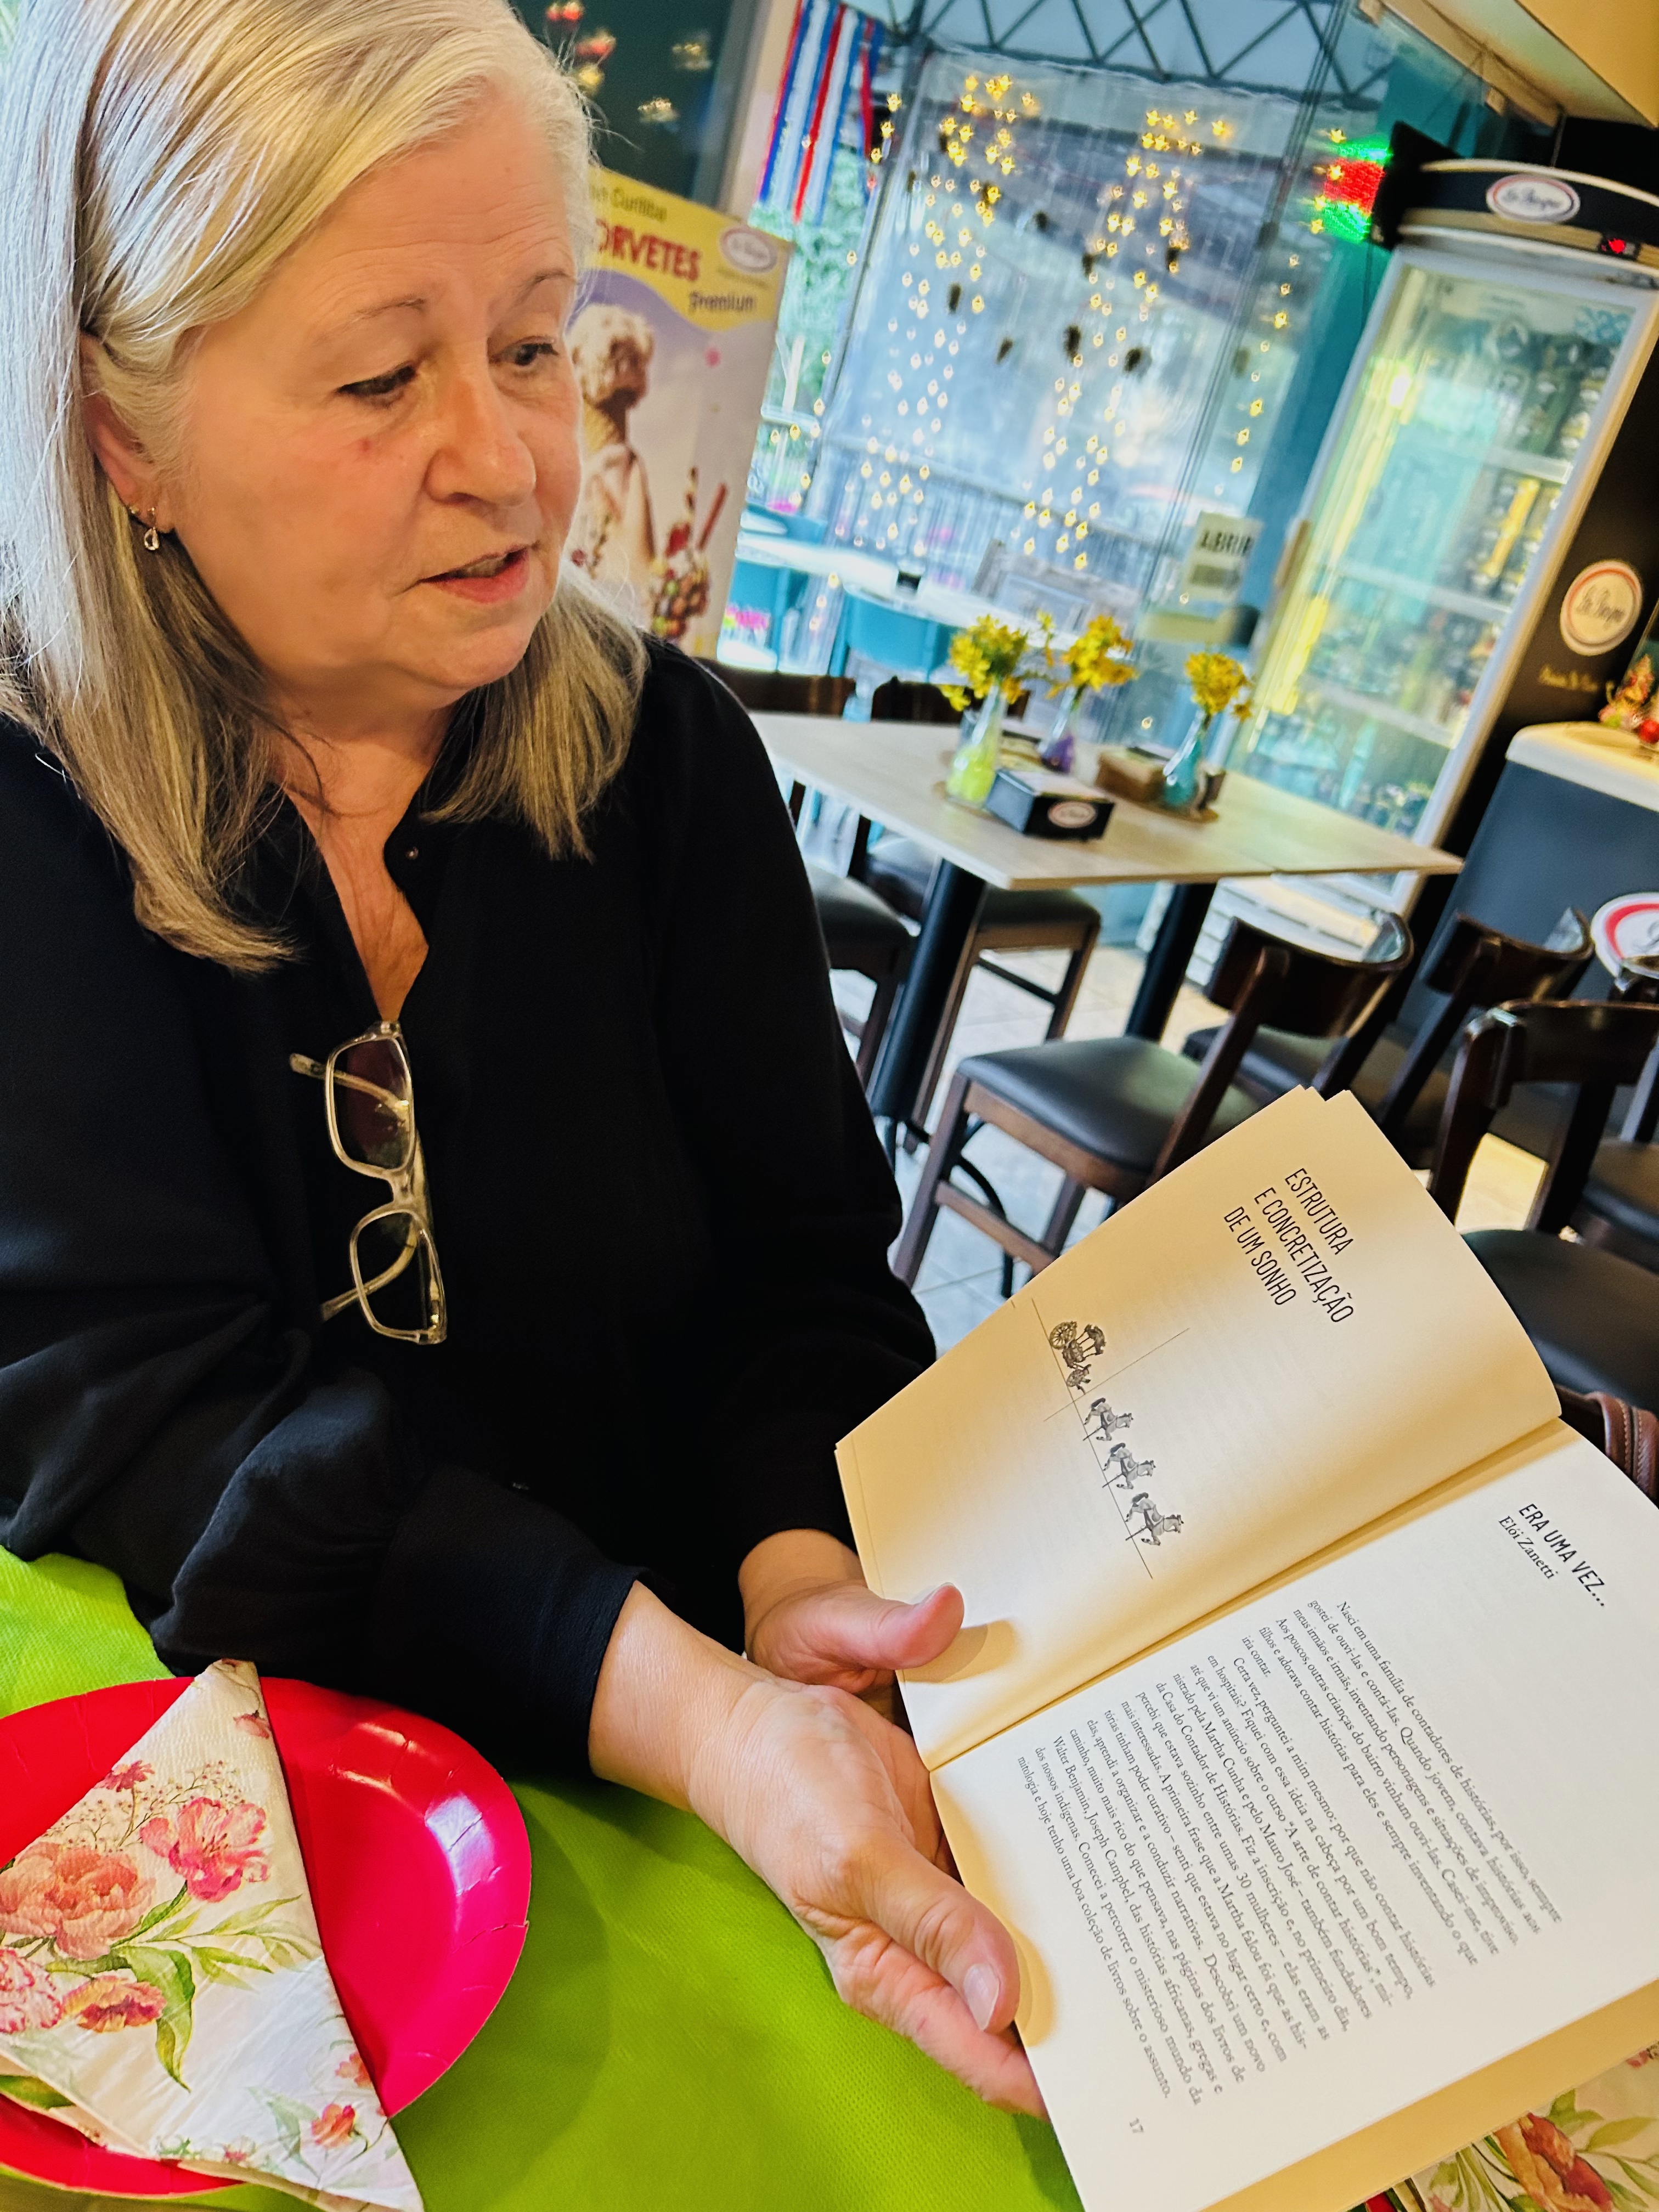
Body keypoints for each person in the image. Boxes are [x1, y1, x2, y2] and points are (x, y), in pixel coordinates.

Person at [0, 0, 1042, 2121]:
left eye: (540, 343)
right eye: (382, 379)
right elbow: (157, 1427)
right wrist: (704, 1717)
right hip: (274, 1859)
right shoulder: (31, 813)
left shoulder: (675, 766)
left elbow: (805, 1275)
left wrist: (799, 1582)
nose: (511, 462)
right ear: (124, 434)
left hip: (722, 1795)